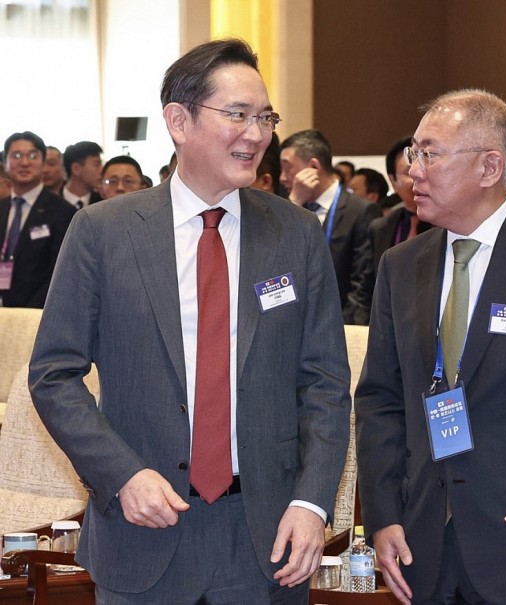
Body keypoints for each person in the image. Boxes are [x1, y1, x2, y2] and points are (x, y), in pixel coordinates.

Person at [29, 39, 351, 604]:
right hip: (144, 532)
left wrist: (312, 502)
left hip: (265, 542)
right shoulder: (104, 232)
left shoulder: (295, 234)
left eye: (265, 117)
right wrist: (121, 474)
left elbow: (324, 383)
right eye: (238, 115)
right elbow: (54, 375)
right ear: (178, 121)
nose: (256, 134)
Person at [355, 89, 506, 605]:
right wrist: (383, 516)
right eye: (412, 154)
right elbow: (380, 399)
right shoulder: (401, 265)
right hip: (422, 546)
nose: (412, 169)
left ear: (490, 167)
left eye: (429, 153)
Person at [279, 129, 381, 325]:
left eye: (287, 168)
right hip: (295, 325)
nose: (283, 177)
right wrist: (293, 204)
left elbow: (361, 285)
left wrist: (347, 334)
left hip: (342, 327)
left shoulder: (360, 211)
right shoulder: (290, 209)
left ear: (314, 167)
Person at [1, 131, 75, 308]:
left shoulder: (63, 212)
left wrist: (30, 311)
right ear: (5, 163)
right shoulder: (2, 207)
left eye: (33, 156)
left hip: (37, 314)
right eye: (17, 155)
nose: (25, 162)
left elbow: (60, 272)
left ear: (43, 164)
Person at [367, 137, 430, 272]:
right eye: (409, 172)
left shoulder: (451, 224)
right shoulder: (380, 228)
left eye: (424, 169)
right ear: (392, 180)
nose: (419, 176)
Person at [62, 140, 104, 207]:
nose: (102, 170)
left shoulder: (102, 202)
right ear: (76, 169)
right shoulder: (50, 203)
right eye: (96, 164)